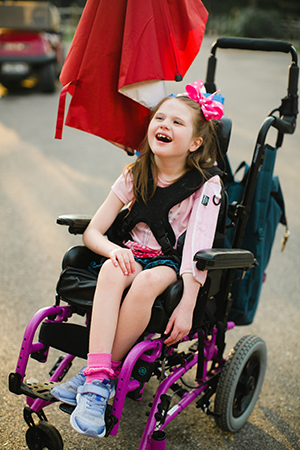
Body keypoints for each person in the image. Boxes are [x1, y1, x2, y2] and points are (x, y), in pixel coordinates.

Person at [51, 79, 224, 438]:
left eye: (177, 122)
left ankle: (96, 375)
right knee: (114, 270)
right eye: (160, 118)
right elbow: (93, 232)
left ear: (195, 142)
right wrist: (116, 250)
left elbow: (197, 250)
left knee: (145, 281)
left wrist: (188, 305)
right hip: (128, 253)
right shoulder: (136, 172)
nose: (164, 125)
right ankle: (99, 379)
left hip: (169, 264)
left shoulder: (207, 186)